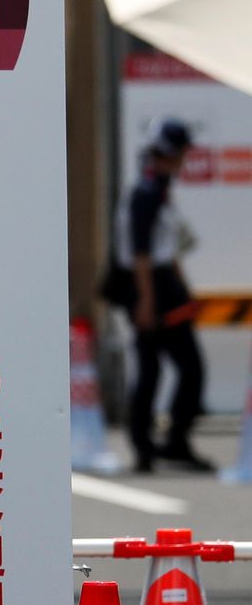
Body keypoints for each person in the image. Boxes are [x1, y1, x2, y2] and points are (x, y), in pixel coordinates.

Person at [121, 116, 210, 472]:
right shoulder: (145, 192)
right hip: (149, 287)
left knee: (178, 368)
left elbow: (166, 249)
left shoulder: (158, 189)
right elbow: (141, 253)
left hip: (161, 286)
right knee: (159, 369)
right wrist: (146, 301)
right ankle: (147, 445)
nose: (184, 160)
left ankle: (172, 441)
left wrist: (183, 290)